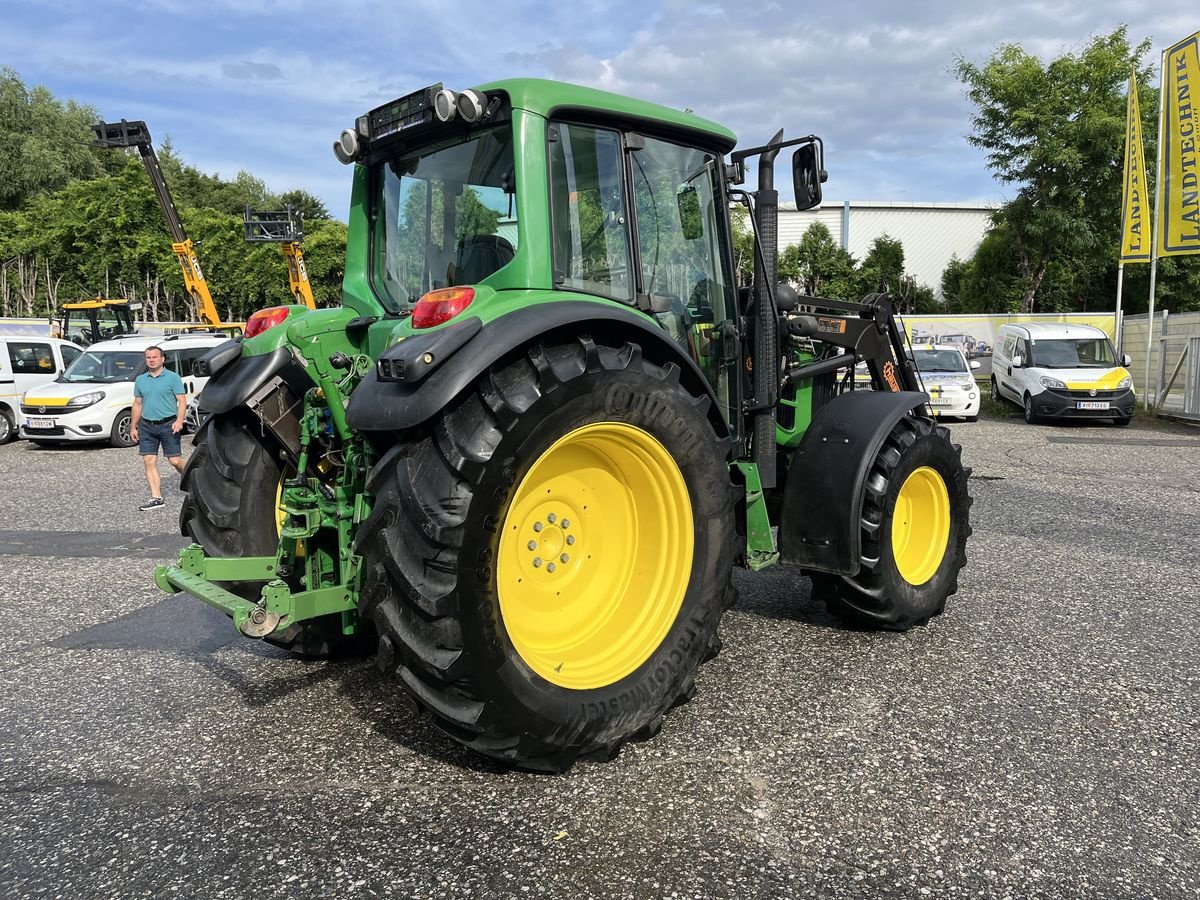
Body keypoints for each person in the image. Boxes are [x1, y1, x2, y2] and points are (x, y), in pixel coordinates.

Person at [130, 346, 186, 511]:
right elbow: (138, 404)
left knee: (175, 461)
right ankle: (156, 497)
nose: (152, 360)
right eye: (148, 358)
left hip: (169, 424)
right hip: (147, 425)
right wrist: (133, 426)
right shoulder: (141, 380)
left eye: (155, 357)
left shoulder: (173, 378)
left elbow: (181, 401)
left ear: (162, 359)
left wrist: (179, 420)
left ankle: (194, 479)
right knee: (149, 460)